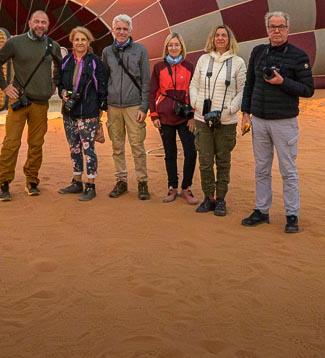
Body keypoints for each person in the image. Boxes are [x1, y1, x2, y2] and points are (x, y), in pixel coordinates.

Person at [240, 11, 315, 234]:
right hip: (260, 121)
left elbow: (308, 90)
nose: (276, 31)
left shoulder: (298, 56)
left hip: (284, 122)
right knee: (261, 168)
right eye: (272, 27)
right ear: (267, 29)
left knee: (287, 170)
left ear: (288, 29)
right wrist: (245, 112)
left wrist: (283, 82)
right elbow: (250, 84)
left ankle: (292, 215)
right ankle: (261, 210)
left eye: (281, 27)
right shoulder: (257, 52)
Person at [0, 9, 62, 201]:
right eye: (37, 21)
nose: (40, 25)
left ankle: (32, 180)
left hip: (41, 103)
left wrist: (53, 85)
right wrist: (5, 87)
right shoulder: (15, 42)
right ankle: (4, 182)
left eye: (44, 23)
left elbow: (60, 66)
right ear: (29, 22)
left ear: (48, 25)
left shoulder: (52, 45)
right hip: (19, 101)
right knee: (11, 143)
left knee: (36, 144)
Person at [188, 24, 247, 217]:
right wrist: (196, 103)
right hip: (202, 119)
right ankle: (208, 197)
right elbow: (194, 84)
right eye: (217, 35)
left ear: (230, 39)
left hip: (226, 121)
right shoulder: (203, 60)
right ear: (212, 39)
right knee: (205, 160)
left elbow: (242, 91)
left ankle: (220, 198)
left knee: (223, 161)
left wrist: (229, 110)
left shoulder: (238, 62)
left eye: (224, 35)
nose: (220, 38)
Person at [101, 13, 152, 200]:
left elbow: (146, 80)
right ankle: (121, 180)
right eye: (118, 29)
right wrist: (104, 104)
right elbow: (105, 78)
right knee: (117, 146)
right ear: (113, 30)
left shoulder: (140, 50)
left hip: (134, 105)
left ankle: (142, 182)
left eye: (125, 29)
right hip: (113, 106)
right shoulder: (107, 52)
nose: (121, 32)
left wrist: (144, 107)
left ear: (131, 30)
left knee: (137, 146)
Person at [57, 26, 108, 202]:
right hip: (69, 112)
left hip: (88, 113)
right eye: (77, 39)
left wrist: (99, 110)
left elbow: (102, 86)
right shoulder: (66, 61)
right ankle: (76, 181)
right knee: (74, 148)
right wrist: (62, 92)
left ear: (89, 42)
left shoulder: (95, 62)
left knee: (88, 149)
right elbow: (59, 82)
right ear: (72, 41)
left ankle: (91, 185)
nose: (80, 43)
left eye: (83, 40)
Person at [148, 32, 198, 205]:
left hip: (185, 117)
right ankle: (172, 187)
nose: (173, 48)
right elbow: (152, 91)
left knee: (191, 152)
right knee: (170, 153)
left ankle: (186, 187)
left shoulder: (190, 66)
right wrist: (154, 114)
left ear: (182, 47)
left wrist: (192, 115)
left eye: (176, 45)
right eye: (170, 45)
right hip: (165, 117)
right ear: (166, 47)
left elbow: (195, 92)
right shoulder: (159, 67)